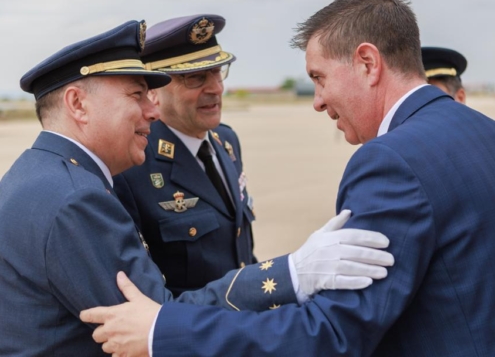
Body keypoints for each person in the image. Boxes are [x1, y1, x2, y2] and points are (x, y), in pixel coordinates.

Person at [81, 0, 495, 356]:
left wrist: (164, 332)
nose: (317, 101)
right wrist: (292, 274)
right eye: (194, 77)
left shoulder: (390, 162)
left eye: (319, 78)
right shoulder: (482, 130)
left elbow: (335, 332)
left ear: (368, 63)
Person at [0, 20, 394, 356]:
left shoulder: (40, 173)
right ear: (78, 105)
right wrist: (291, 273)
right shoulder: (76, 198)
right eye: (137, 95)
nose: (151, 111)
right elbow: (152, 321)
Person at [113, 14, 257, 296]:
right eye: (195, 78)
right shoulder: (132, 165)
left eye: (218, 72)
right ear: (154, 91)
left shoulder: (226, 141)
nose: (215, 88)